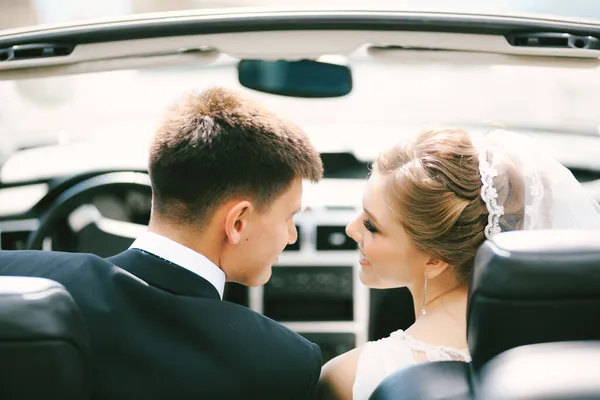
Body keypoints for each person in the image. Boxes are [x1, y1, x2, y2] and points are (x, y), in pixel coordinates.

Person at [0, 87, 324, 399]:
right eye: (288, 218)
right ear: (237, 222)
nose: (292, 235)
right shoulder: (284, 364)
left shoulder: (15, 279)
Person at [317, 127, 600, 400]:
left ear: (435, 260)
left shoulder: (351, 378)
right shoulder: (570, 363)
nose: (351, 229)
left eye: (371, 225)